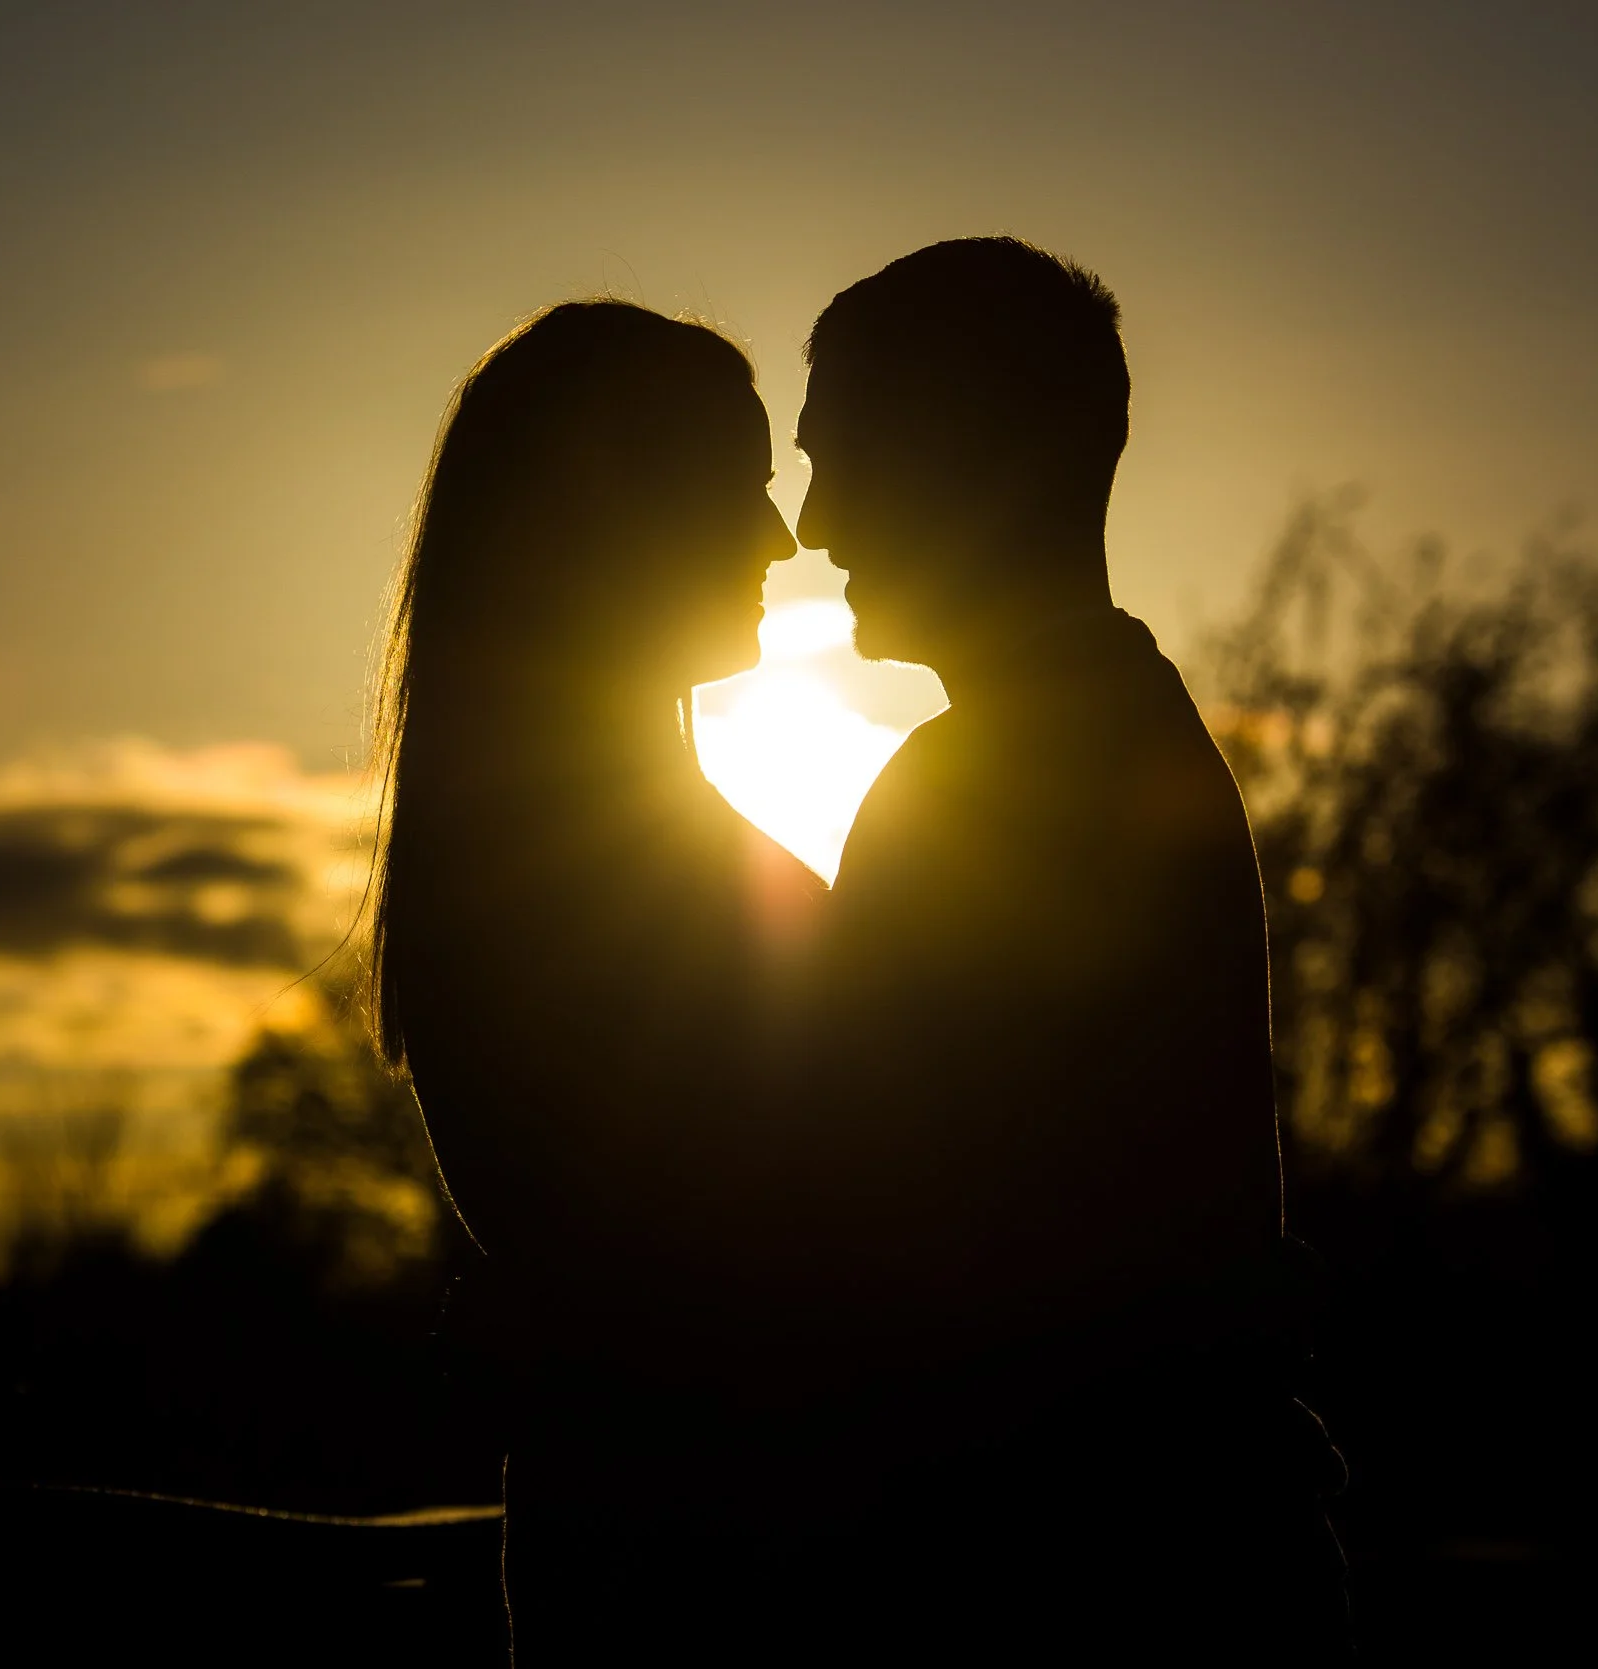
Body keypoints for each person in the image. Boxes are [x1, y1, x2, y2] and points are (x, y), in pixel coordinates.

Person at [772, 236, 1351, 1658]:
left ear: (968, 453)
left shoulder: (1002, 784)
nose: (814, 525)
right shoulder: (1098, 739)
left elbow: (879, 1240)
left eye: (843, 458)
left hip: (1080, 1615)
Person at [364, 300, 824, 1661]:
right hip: (709, 1596)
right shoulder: (574, 873)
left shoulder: (606, 846)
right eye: (736, 489)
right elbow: (727, 1258)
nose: (781, 543)